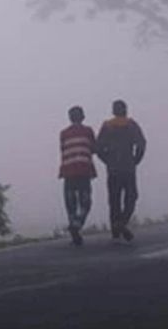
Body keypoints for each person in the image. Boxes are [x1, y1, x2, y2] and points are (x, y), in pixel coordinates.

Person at [96, 99, 147, 241]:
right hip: (128, 167)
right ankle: (122, 222)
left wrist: (107, 161)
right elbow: (142, 144)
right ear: (125, 110)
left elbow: (98, 148)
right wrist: (136, 159)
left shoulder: (107, 126)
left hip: (113, 168)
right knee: (131, 196)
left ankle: (115, 230)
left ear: (113, 111)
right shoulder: (131, 125)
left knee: (114, 199)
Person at [59, 105, 98, 246]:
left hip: (68, 171)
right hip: (84, 170)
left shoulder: (63, 133)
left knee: (70, 203)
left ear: (70, 118)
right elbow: (94, 148)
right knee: (85, 201)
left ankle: (73, 226)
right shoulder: (88, 131)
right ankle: (77, 224)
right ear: (83, 117)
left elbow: (62, 149)